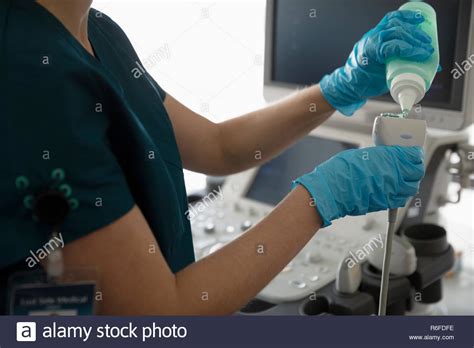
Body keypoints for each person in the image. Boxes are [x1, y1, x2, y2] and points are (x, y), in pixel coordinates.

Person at [0, 0, 431, 315]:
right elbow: (159, 315)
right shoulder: (29, 70)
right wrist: (323, 198)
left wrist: (339, 87)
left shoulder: (94, 30)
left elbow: (217, 145)